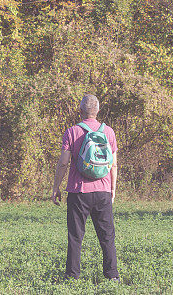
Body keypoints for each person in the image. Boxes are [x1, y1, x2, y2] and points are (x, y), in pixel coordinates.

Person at [51, 94, 119, 281]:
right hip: (103, 191)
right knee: (107, 236)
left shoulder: (72, 132)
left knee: (75, 236)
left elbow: (64, 163)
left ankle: (72, 276)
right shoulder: (109, 132)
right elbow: (113, 164)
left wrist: (56, 187)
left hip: (78, 191)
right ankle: (112, 276)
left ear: (80, 111)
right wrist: (112, 189)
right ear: (97, 111)